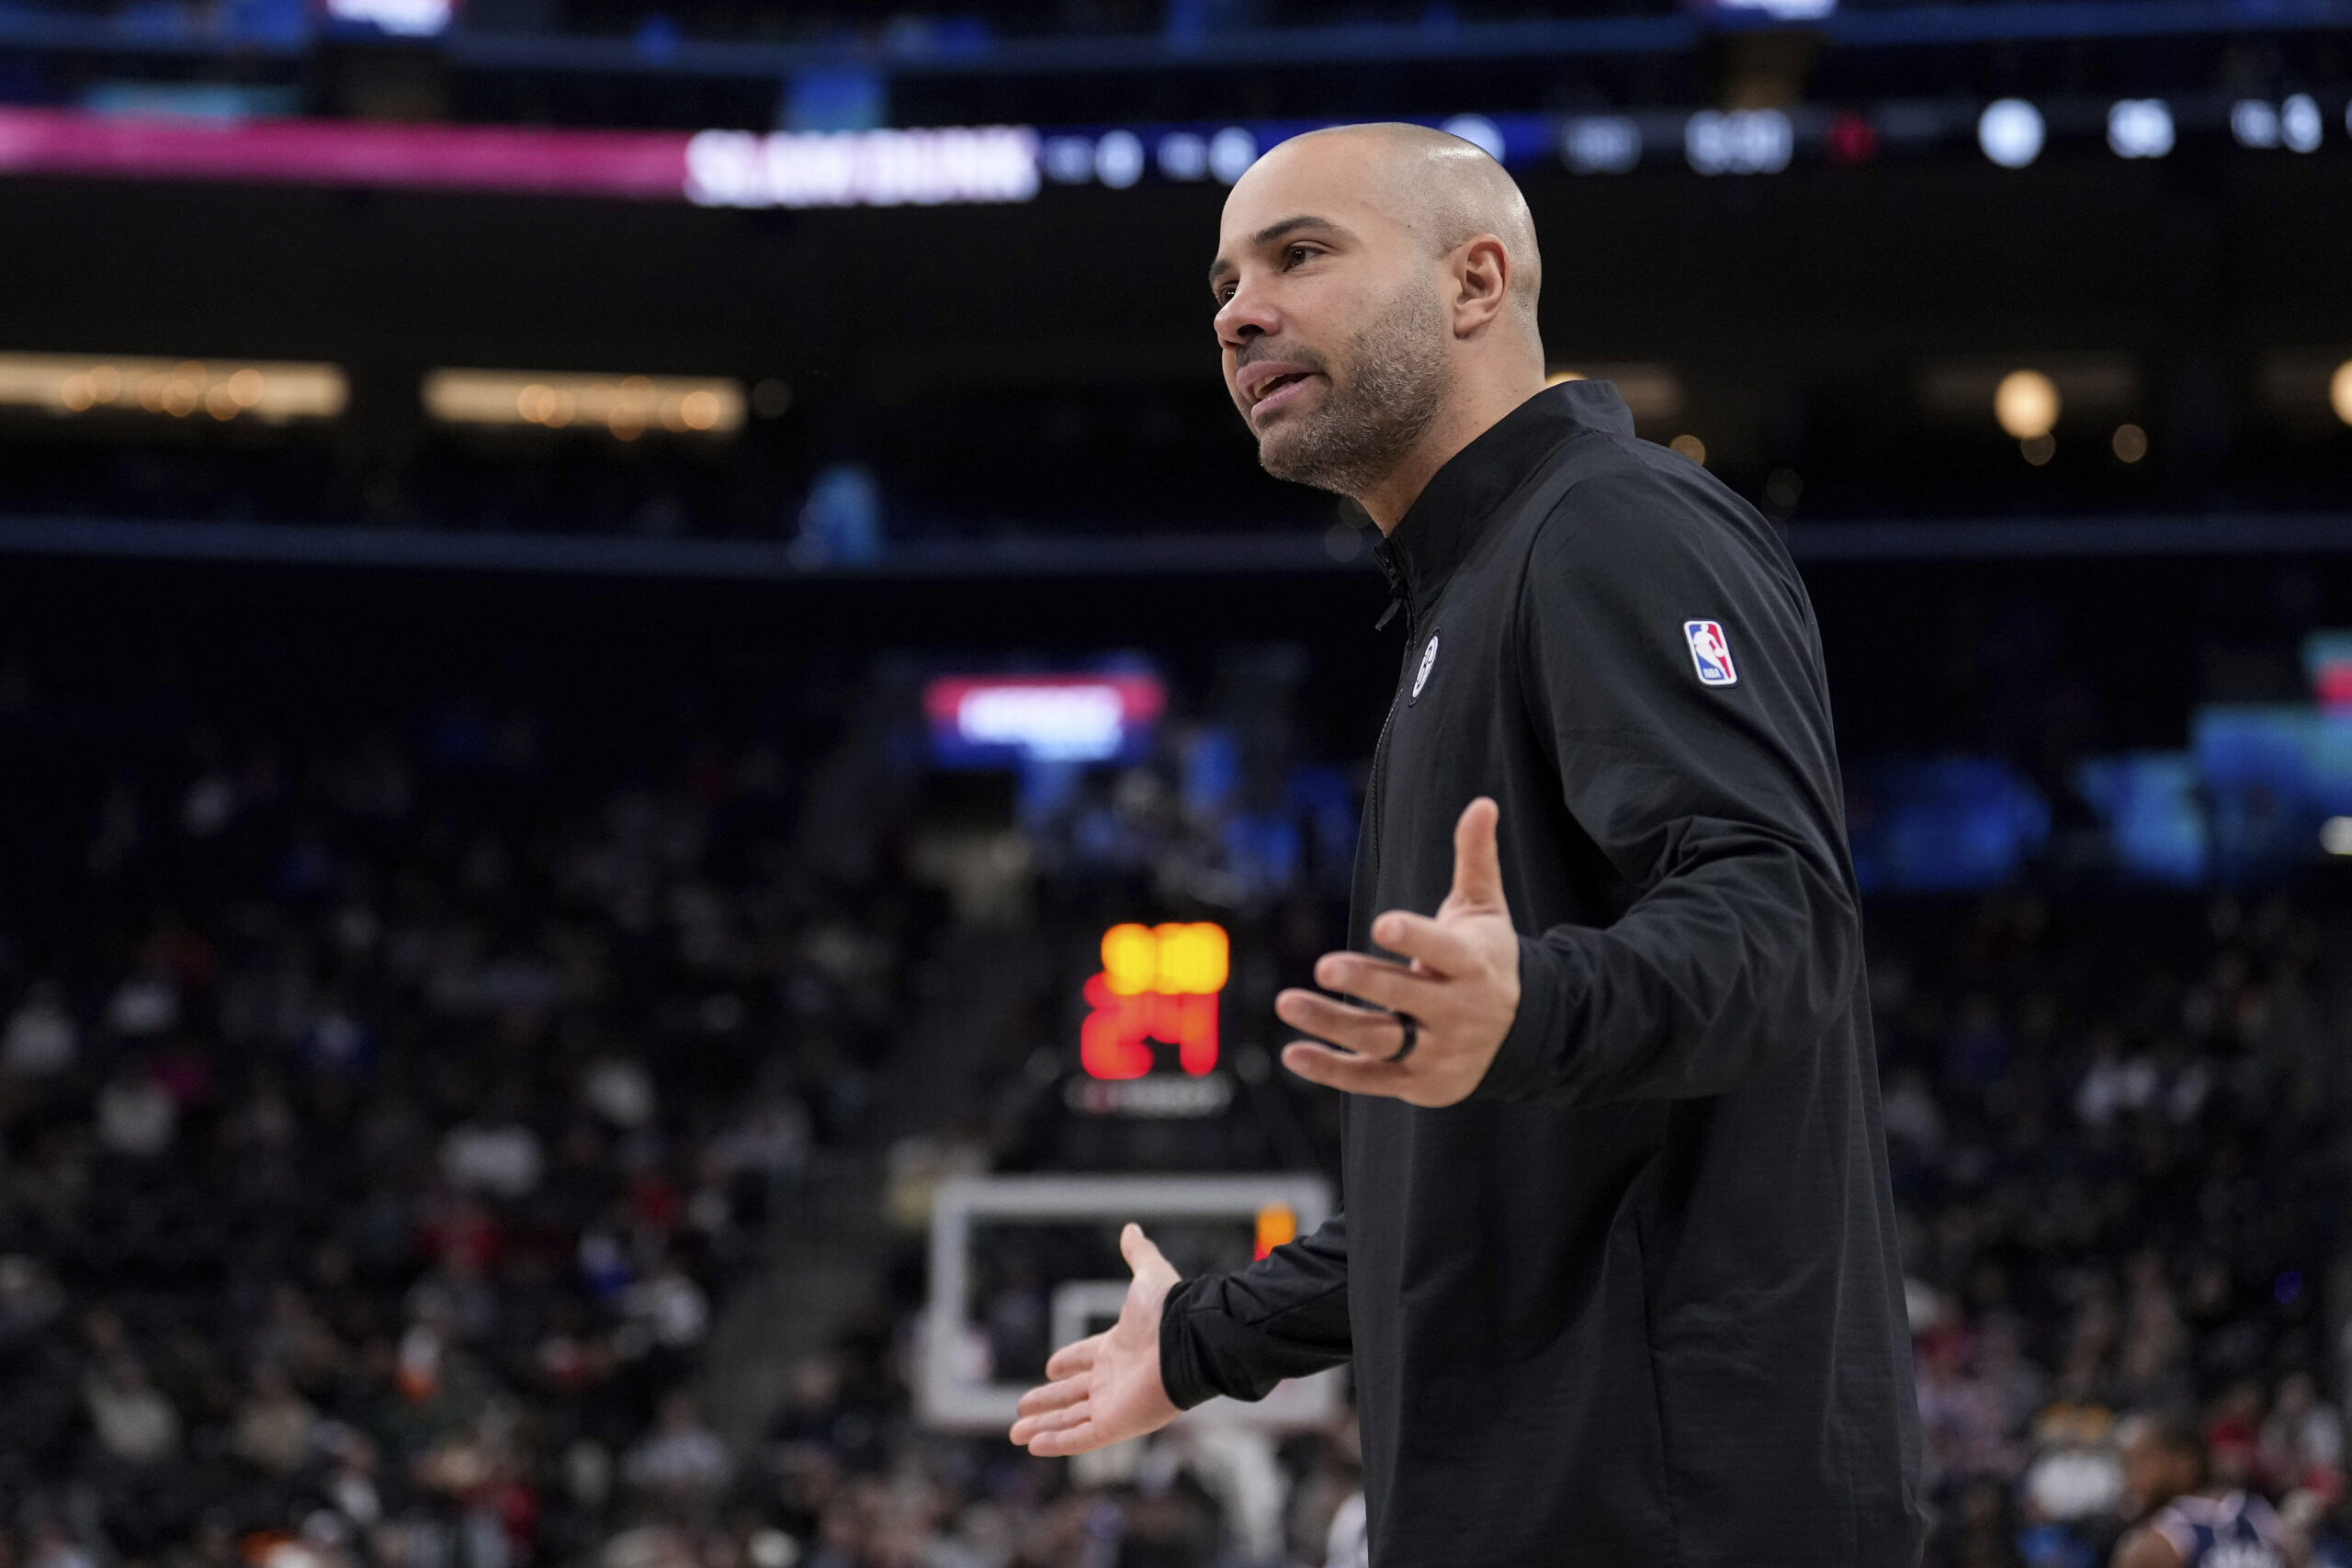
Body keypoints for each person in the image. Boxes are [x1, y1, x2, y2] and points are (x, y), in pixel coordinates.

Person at [1009, 121, 1923, 1565]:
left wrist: (1535, 1004)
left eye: (1299, 255)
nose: (1240, 311)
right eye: (1224, 284)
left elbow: (1782, 912)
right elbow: (1479, 1181)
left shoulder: (1615, 527)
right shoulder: (1467, 598)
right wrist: (1204, 1338)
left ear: (1477, 281)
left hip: (1672, 1514)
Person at [2111, 1413, 2301, 1567]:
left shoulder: (2155, 1545)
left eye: (2138, 1463)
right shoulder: (2262, 1516)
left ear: (2184, 1464)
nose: (2129, 1479)